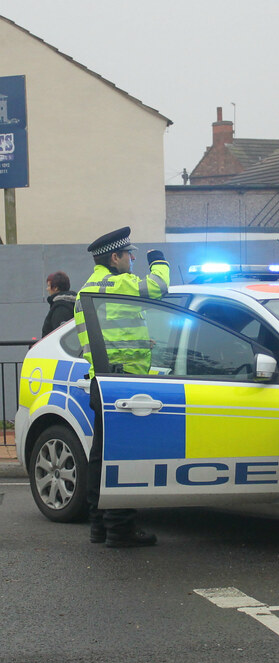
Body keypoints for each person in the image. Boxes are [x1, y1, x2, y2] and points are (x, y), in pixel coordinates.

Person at [73, 227, 170, 548]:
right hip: (125, 383)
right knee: (123, 457)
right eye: (129, 255)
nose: (131, 261)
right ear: (114, 258)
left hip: (102, 382)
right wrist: (159, 260)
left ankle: (100, 525)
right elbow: (158, 286)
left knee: (101, 455)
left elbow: (112, 334)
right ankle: (121, 528)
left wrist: (143, 341)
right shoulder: (118, 283)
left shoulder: (88, 289)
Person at [42, 271, 76, 337]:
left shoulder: (61, 308)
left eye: (49, 286)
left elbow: (60, 335)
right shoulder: (74, 303)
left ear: (56, 288)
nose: (47, 289)